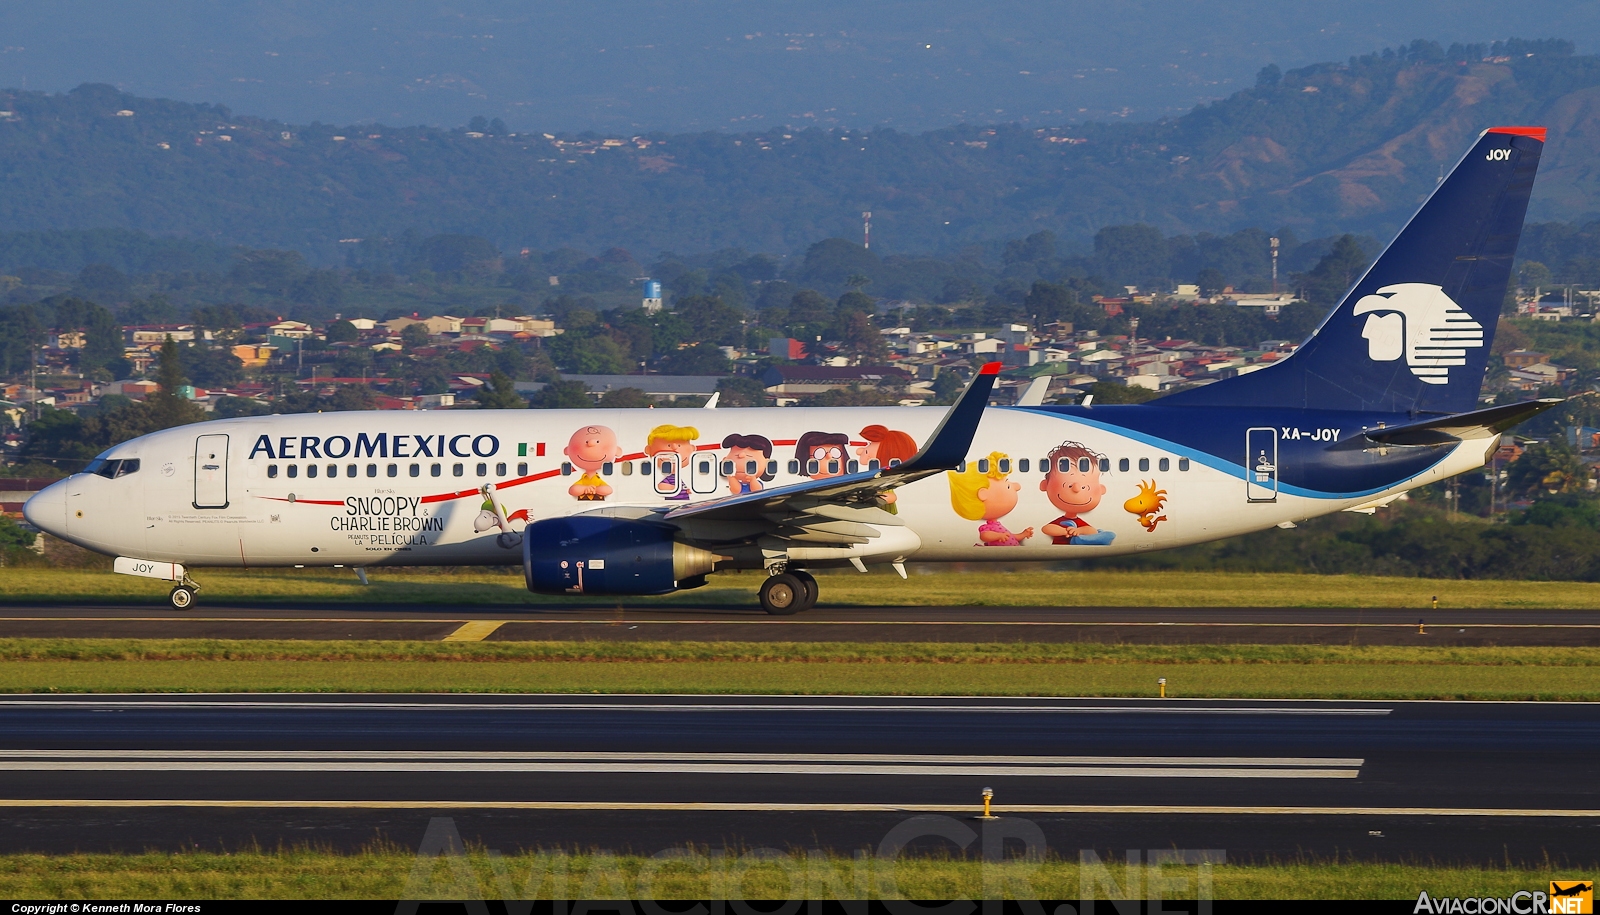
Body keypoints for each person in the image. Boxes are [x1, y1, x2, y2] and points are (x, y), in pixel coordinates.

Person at [947, 451, 1033, 546]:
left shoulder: (998, 526)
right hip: (999, 557)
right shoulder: (987, 528)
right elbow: (984, 536)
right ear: (983, 494)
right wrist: (999, 536)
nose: (1017, 486)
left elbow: (1011, 536)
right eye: (1008, 485)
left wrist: (1023, 534)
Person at [1039, 440, 1116, 545]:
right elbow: (1047, 528)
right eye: (1068, 485)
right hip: (1065, 544)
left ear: (1101, 489)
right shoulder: (1063, 522)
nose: (1076, 488)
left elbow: (1091, 530)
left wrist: (1078, 531)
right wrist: (1065, 531)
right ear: (1045, 485)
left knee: (1099, 535)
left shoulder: (1076, 523)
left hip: (1070, 543)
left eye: (1085, 487)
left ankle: (1088, 539)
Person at [858, 424, 918, 513]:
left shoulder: (885, 479)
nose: (860, 450)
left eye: (870, 444)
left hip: (883, 513)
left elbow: (891, 497)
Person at [563, 425, 620, 501]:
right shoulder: (584, 478)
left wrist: (595, 490)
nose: (591, 443)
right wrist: (585, 488)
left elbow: (608, 490)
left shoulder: (597, 479)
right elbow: (573, 490)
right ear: (567, 450)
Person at [646, 424, 699, 500]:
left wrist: (686, 490)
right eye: (668, 445)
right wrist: (676, 488)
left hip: (683, 504)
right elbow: (661, 486)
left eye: (679, 445)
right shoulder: (669, 478)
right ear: (649, 450)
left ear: (692, 448)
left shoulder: (677, 477)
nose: (675, 448)